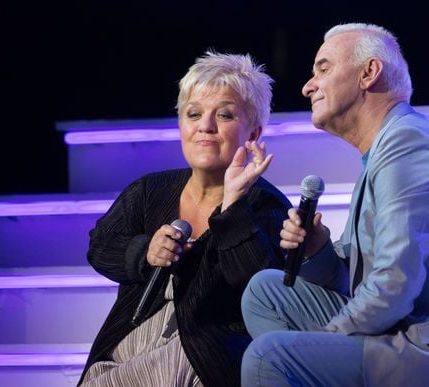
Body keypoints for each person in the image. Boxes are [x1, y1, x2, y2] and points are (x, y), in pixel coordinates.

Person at [240, 23, 429, 386]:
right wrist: (318, 251)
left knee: (269, 359)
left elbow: (393, 284)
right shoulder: (384, 150)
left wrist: (325, 343)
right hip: (406, 332)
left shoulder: (408, 144)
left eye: (323, 69)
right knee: (267, 293)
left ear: (368, 73)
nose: (308, 86)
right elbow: (354, 284)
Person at [77, 51, 292, 387]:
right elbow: (100, 247)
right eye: (193, 114)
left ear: (252, 134)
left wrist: (233, 208)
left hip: (209, 352)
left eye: (223, 115)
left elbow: (259, 287)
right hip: (131, 342)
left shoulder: (268, 205)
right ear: (181, 124)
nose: (205, 126)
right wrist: (145, 252)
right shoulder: (150, 190)